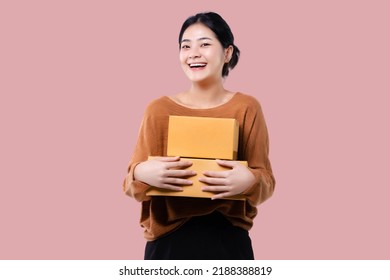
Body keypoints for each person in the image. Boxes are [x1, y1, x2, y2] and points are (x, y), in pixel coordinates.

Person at [123, 11, 275, 260]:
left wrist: (249, 180)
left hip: (229, 241)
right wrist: (141, 173)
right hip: (166, 242)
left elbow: (267, 181)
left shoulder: (247, 107)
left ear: (227, 53)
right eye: (186, 46)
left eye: (205, 44)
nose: (193, 53)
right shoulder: (158, 109)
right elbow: (130, 184)